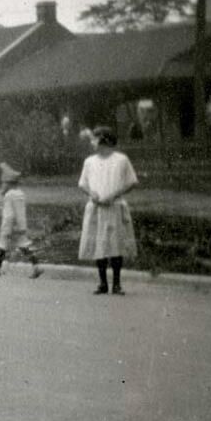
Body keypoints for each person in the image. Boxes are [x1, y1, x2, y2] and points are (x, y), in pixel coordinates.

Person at [78, 126, 138, 295]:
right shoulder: (89, 161)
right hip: (97, 208)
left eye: (94, 139)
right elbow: (82, 183)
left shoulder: (121, 160)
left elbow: (132, 182)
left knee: (115, 245)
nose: (92, 142)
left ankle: (116, 284)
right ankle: (103, 283)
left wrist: (114, 194)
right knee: (100, 245)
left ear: (104, 140)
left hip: (114, 206)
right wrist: (92, 193)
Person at [0, 163, 42, 279]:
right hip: (20, 225)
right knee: (24, 245)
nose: (2, 186)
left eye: (4, 183)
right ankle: (36, 266)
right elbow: (20, 212)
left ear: (9, 184)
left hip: (10, 226)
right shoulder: (20, 194)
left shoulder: (9, 195)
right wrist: (22, 226)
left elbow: (9, 214)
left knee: (2, 246)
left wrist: (6, 228)